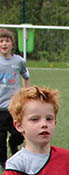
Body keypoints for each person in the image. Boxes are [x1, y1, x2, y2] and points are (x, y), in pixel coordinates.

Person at [0, 28, 30, 167]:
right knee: (0, 138)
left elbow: (25, 75)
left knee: (19, 134)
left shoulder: (18, 61)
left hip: (13, 107)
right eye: (1, 41)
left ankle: (13, 145)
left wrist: (25, 93)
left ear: (12, 43)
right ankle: (4, 163)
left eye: (7, 40)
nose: (4, 43)